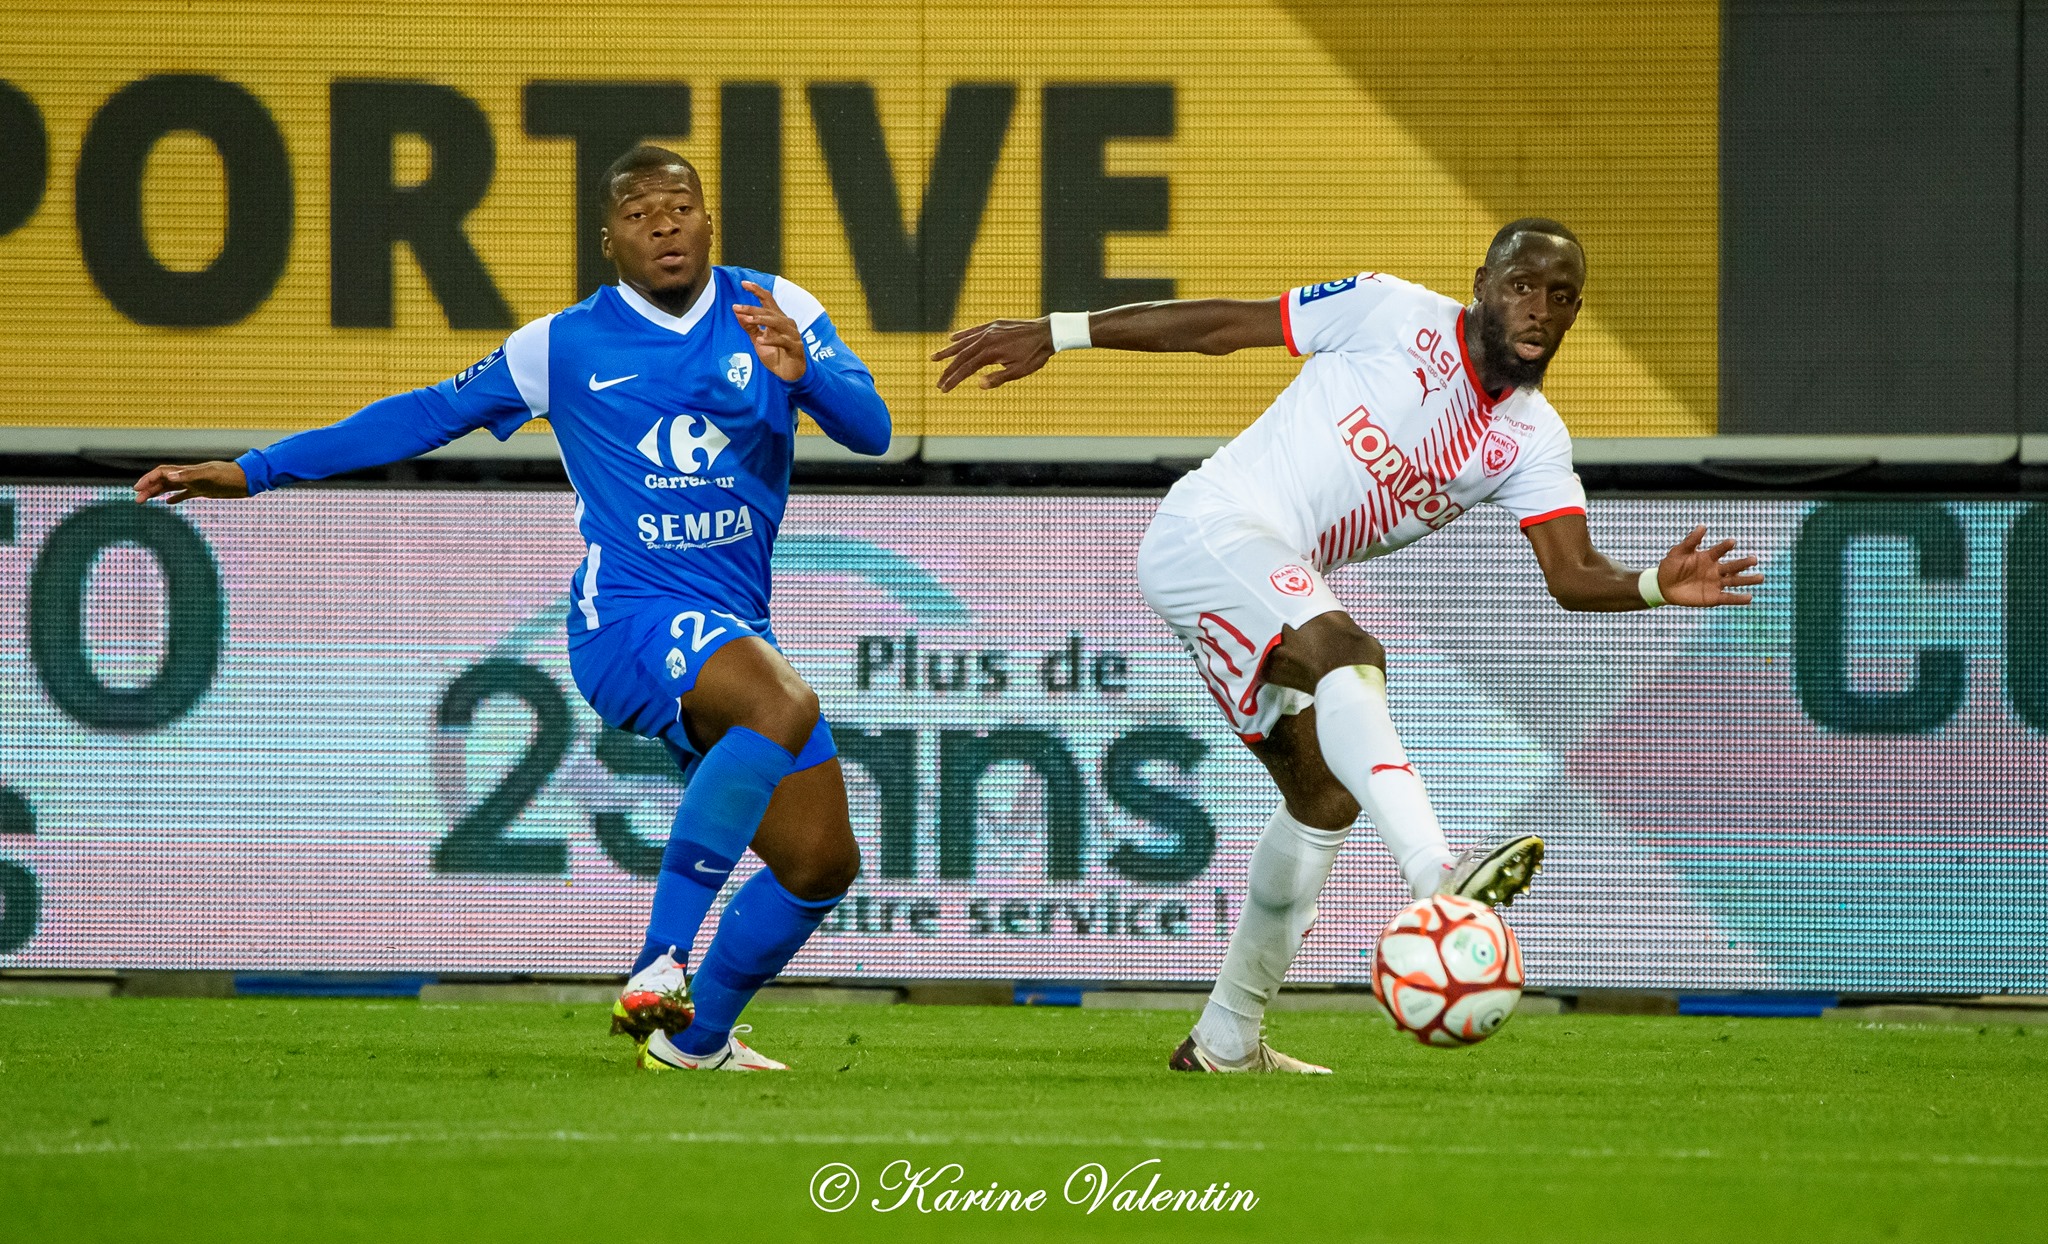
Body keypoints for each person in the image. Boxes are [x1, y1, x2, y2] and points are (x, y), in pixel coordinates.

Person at [935, 219, 1761, 1073]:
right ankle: (1437, 875)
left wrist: (1653, 585)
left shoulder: (1533, 438)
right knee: (1350, 651)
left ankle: (1226, 1039)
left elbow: (1573, 573)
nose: (1539, 309)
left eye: (1561, 297)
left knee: (1324, 796)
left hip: (1266, 575)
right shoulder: (1388, 310)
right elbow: (1225, 326)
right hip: (1211, 529)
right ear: (1482, 282)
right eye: (1522, 285)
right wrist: (1061, 331)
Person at [134, 145, 891, 1072]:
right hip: (627, 619)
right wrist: (255, 470)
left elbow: (874, 430)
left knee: (820, 863)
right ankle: (661, 962)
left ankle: (692, 1044)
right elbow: (422, 415)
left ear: (707, 220)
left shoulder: (776, 308)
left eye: (680, 206)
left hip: (733, 627)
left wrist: (807, 375)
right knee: (783, 703)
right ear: (608, 239)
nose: (663, 225)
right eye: (638, 213)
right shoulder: (560, 345)